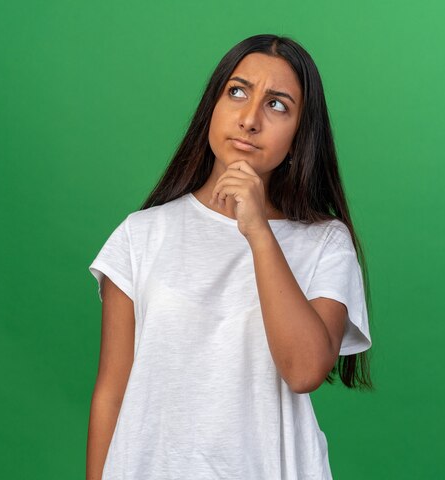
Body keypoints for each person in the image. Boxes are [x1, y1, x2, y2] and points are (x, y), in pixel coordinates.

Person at [86, 33, 373, 480]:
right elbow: (112, 394)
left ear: (299, 138)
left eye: (277, 105)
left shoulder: (326, 243)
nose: (250, 119)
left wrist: (258, 231)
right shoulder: (141, 235)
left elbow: (304, 371)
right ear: (212, 109)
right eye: (237, 92)